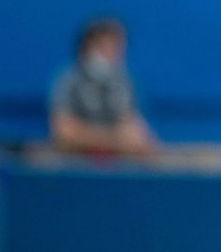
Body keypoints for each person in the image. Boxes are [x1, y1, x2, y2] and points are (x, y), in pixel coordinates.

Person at [49, 19, 155, 157]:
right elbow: (64, 133)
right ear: (88, 47)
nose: (113, 54)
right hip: (75, 163)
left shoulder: (123, 81)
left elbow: (136, 133)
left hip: (118, 167)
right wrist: (116, 139)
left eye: (117, 48)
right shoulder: (68, 80)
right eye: (105, 47)